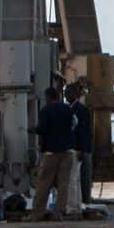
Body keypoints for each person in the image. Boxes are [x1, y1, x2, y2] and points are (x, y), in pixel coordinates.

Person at [32, 83, 76, 220]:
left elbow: (42, 129)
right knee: (63, 184)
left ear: (48, 98)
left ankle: (37, 213)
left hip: (51, 153)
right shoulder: (68, 110)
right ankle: (59, 212)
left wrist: (33, 130)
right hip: (67, 152)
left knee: (44, 184)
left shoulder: (46, 110)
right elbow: (74, 124)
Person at [64, 80, 94, 215]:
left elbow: (84, 131)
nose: (66, 95)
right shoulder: (73, 109)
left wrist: (82, 149)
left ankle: (72, 208)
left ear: (76, 94)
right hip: (74, 148)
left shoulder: (80, 110)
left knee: (72, 180)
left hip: (76, 148)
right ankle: (77, 205)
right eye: (65, 92)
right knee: (75, 179)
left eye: (68, 92)